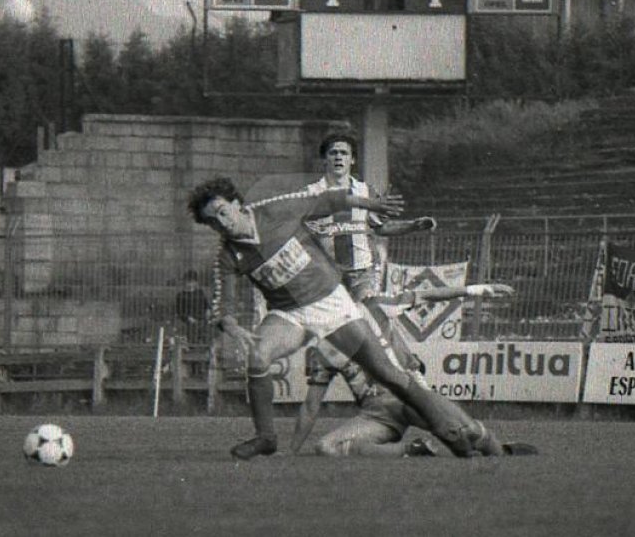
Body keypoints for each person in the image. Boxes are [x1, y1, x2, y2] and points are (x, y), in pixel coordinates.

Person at [188, 177, 506, 460]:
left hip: (332, 303)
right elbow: (222, 304)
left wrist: (371, 204)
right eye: (212, 222)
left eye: (222, 212)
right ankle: (266, 437)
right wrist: (230, 326)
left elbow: (329, 199)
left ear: (237, 204)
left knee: (389, 375)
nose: (221, 223)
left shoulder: (275, 210)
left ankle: (465, 436)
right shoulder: (228, 256)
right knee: (257, 356)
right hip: (289, 315)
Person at [292, 283, 537, 458]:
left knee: (468, 436)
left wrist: (475, 289)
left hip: (413, 396)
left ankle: (502, 451)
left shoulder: (375, 306)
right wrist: (290, 452)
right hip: (376, 415)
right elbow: (311, 405)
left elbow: (428, 295)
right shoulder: (324, 347)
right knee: (326, 447)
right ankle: (413, 450)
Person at [304, 131, 437, 301]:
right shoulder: (310, 193)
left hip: (363, 273)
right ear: (324, 159)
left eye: (344, 153)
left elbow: (380, 228)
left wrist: (413, 225)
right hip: (327, 275)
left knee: (366, 317)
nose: (338, 157)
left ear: (352, 160)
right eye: (333, 153)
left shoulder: (366, 191)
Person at [173, 268, 210, 342]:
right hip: (189, 319)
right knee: (193, 329)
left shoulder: (200, 292)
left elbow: (207, 305)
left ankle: (203, 343)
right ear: (184, 282)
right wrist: (188, 318)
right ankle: (193, 343)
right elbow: (179, 311)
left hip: (202, 318)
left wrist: (208, 311)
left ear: (196, 282)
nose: (190, 283)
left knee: (207, 328)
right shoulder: (181, 295)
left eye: (192, 281)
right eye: (188, 281)